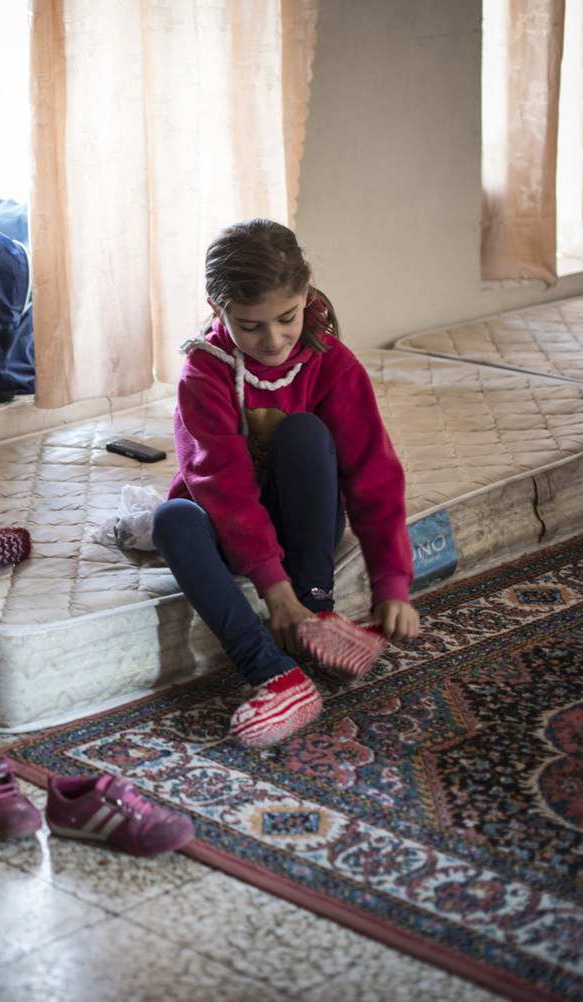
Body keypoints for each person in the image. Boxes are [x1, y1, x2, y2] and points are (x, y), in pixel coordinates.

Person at [152, 219, 420, 749]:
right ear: (216, 306)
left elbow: (374, 472)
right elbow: (222, 488)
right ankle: (274, 672)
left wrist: (392, 580)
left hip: (303, 515)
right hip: (232, 528)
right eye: (249, 326)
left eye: (287, 318)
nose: (271, 340)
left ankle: (316, 610)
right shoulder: (203, 376)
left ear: (304, 295)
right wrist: (273, 592)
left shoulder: (331, 364)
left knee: (304, 433)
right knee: (172, 519)